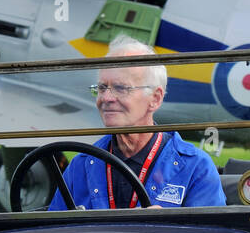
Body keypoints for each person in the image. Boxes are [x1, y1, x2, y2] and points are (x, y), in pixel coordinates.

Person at [47, 36, 226, 211]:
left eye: (120, 88)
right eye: (102, 88)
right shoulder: (80, 166)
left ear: (155, 99)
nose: (106, 98)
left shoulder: (196, 167)